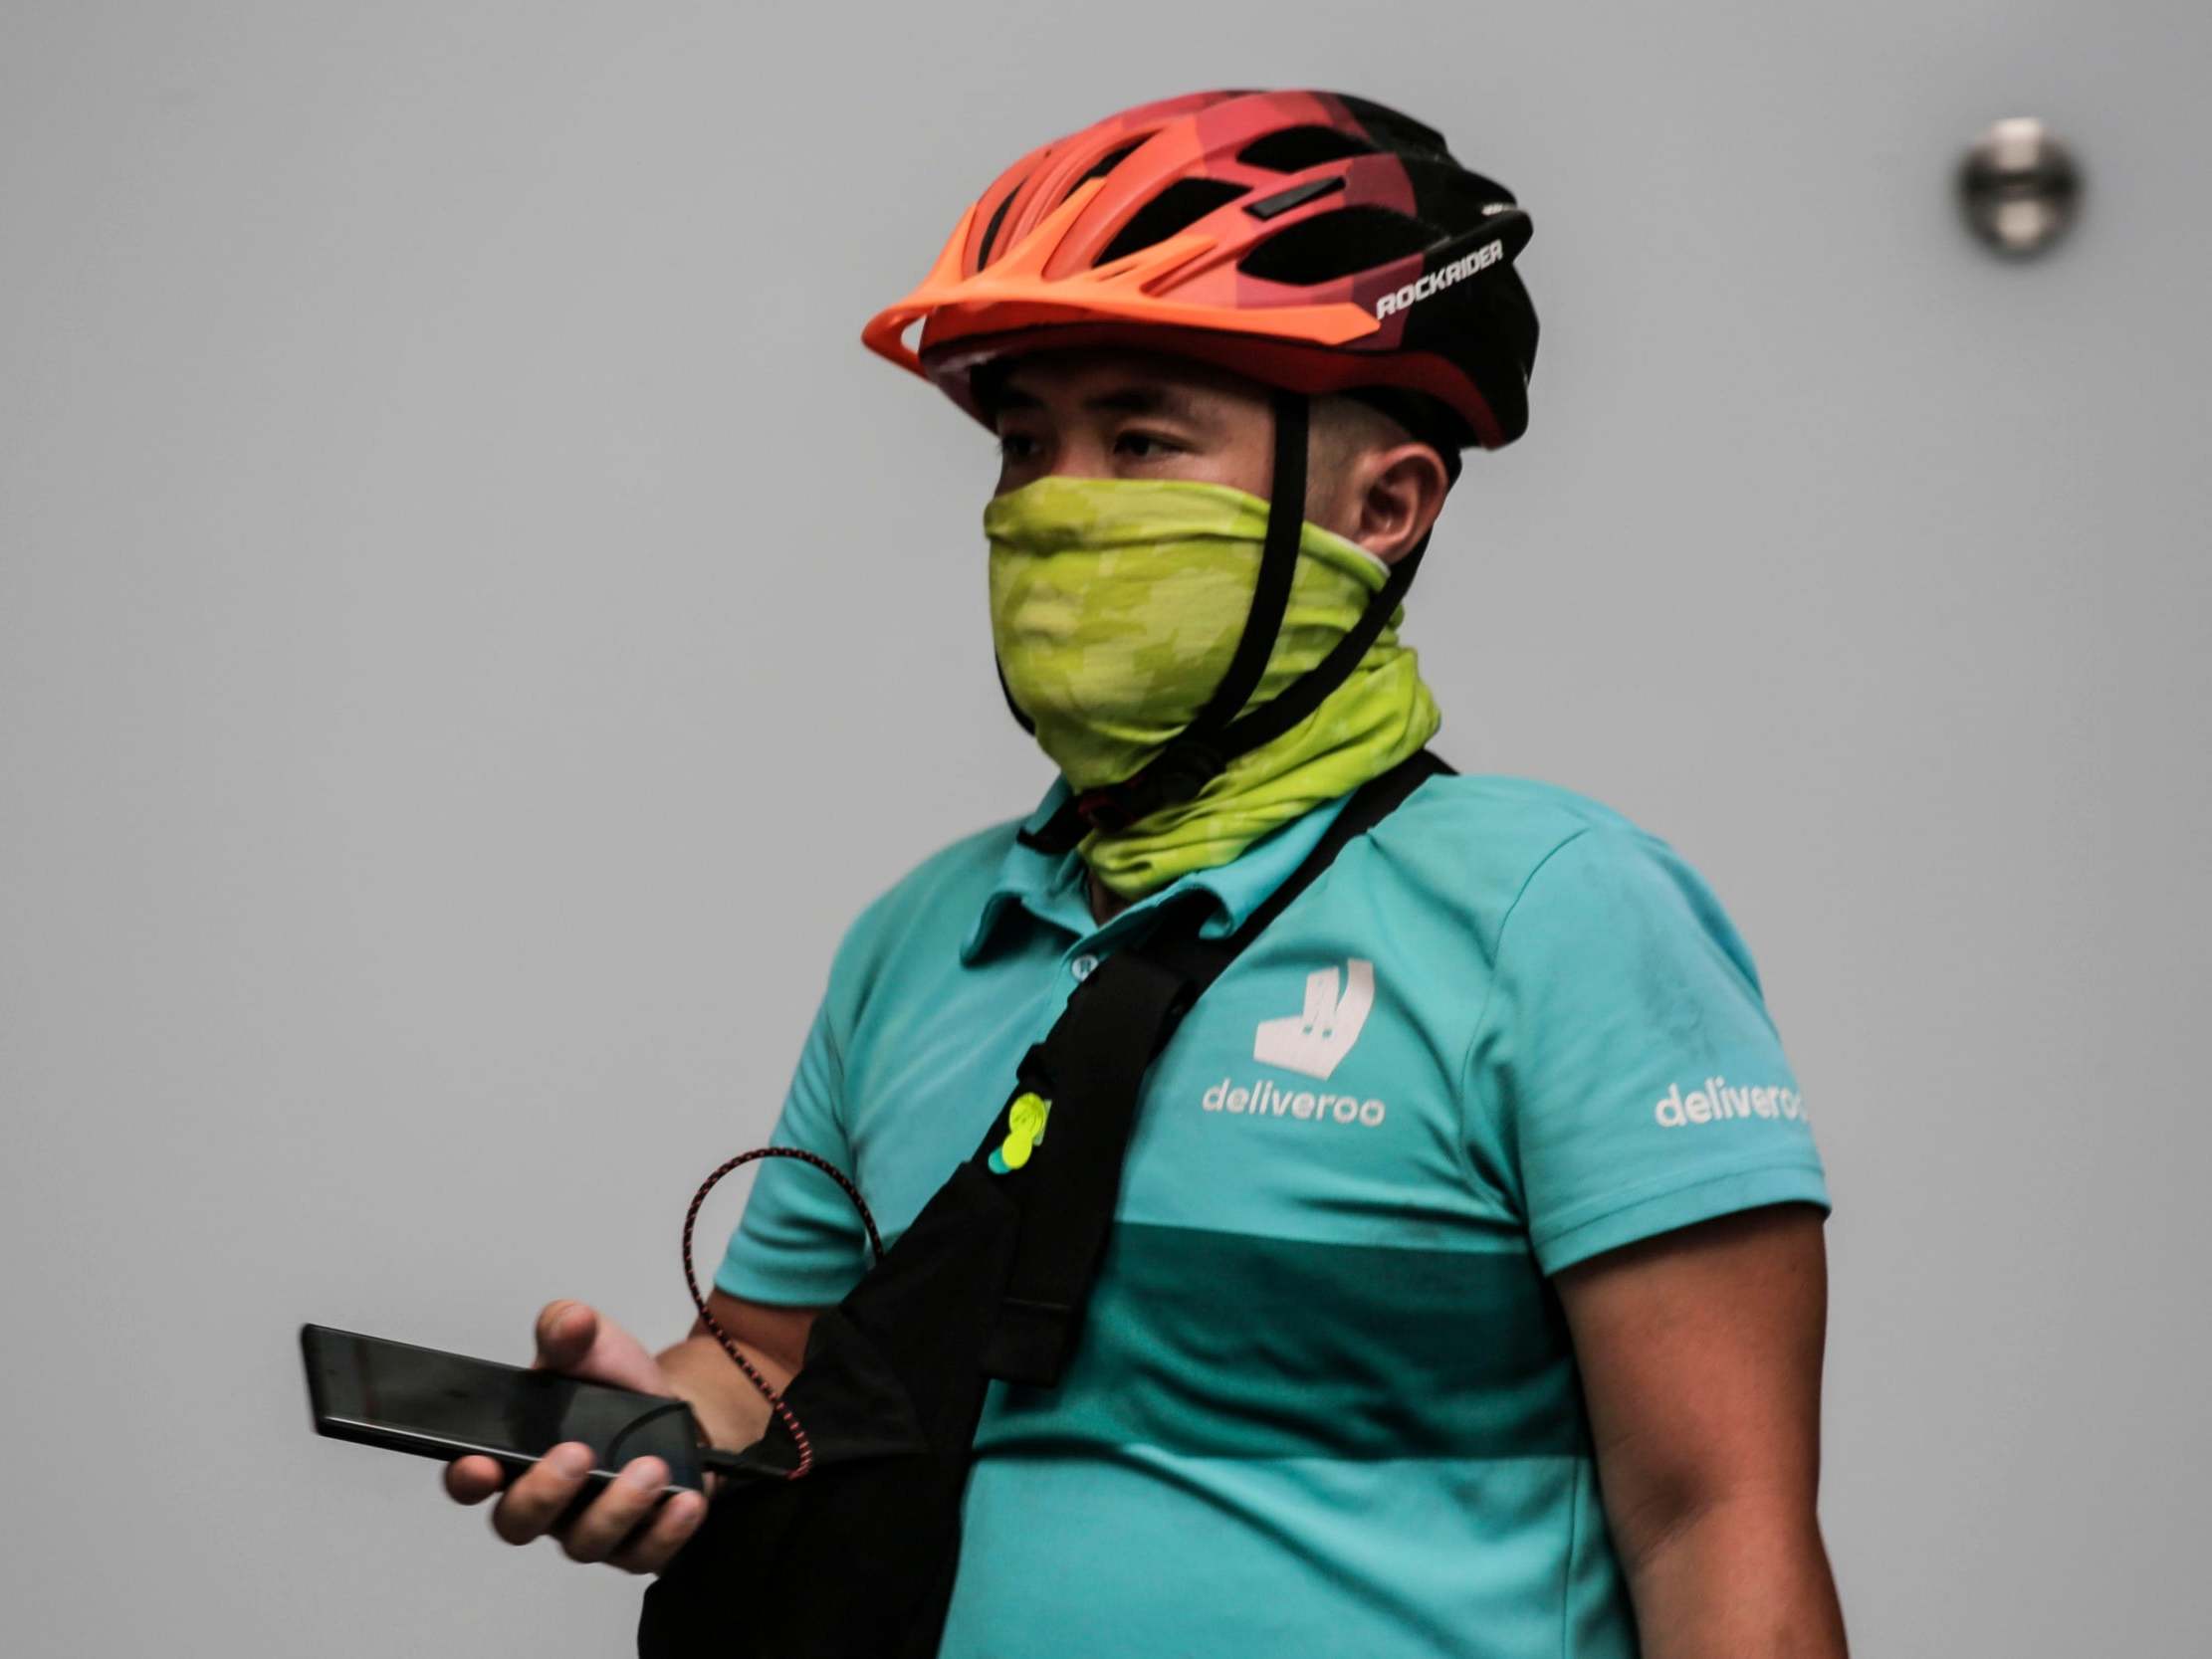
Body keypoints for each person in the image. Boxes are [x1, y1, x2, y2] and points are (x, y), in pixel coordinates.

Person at [443, 89, 1849, 1658]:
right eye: (1027, 444)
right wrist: (643, 1426)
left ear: (1385, 506)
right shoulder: (925, 935)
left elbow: (1715, 1518)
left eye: (1140, 441)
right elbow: (770, 1364)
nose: (1056, 505)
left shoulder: (1560, 912)